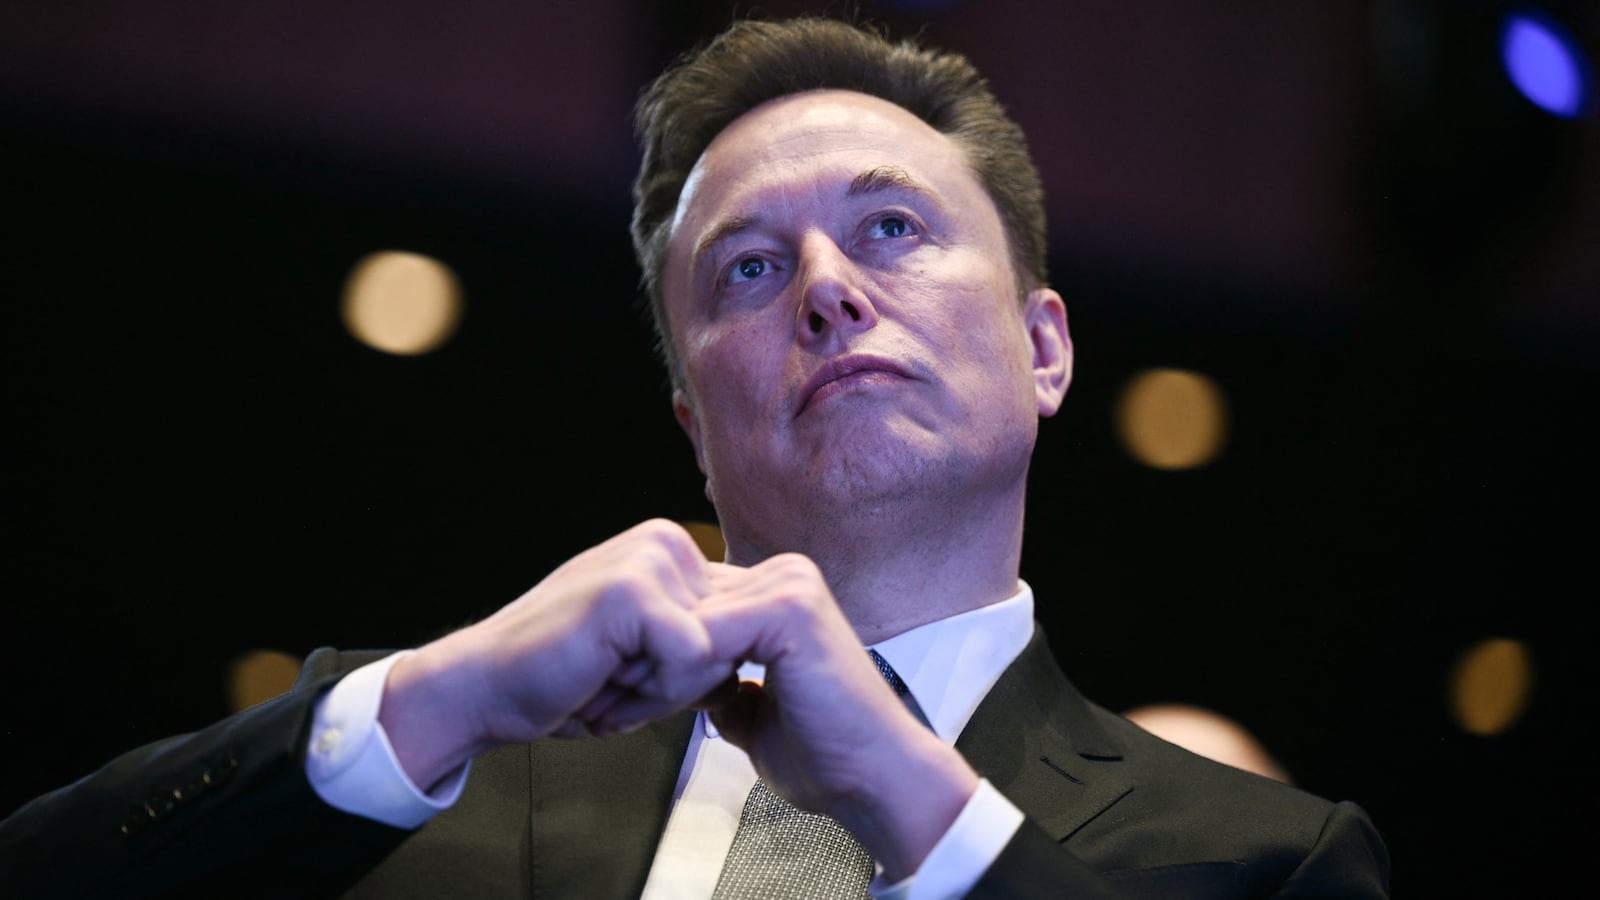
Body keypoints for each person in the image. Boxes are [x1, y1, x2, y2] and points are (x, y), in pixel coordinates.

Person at [0, 15, 1389, 899]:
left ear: (1046, 348)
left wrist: (911, 801)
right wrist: (439, 692)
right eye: (748, 267)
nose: (829, 288)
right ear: (695, 429)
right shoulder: (467, 770)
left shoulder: (1264, 858)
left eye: (894, 227)